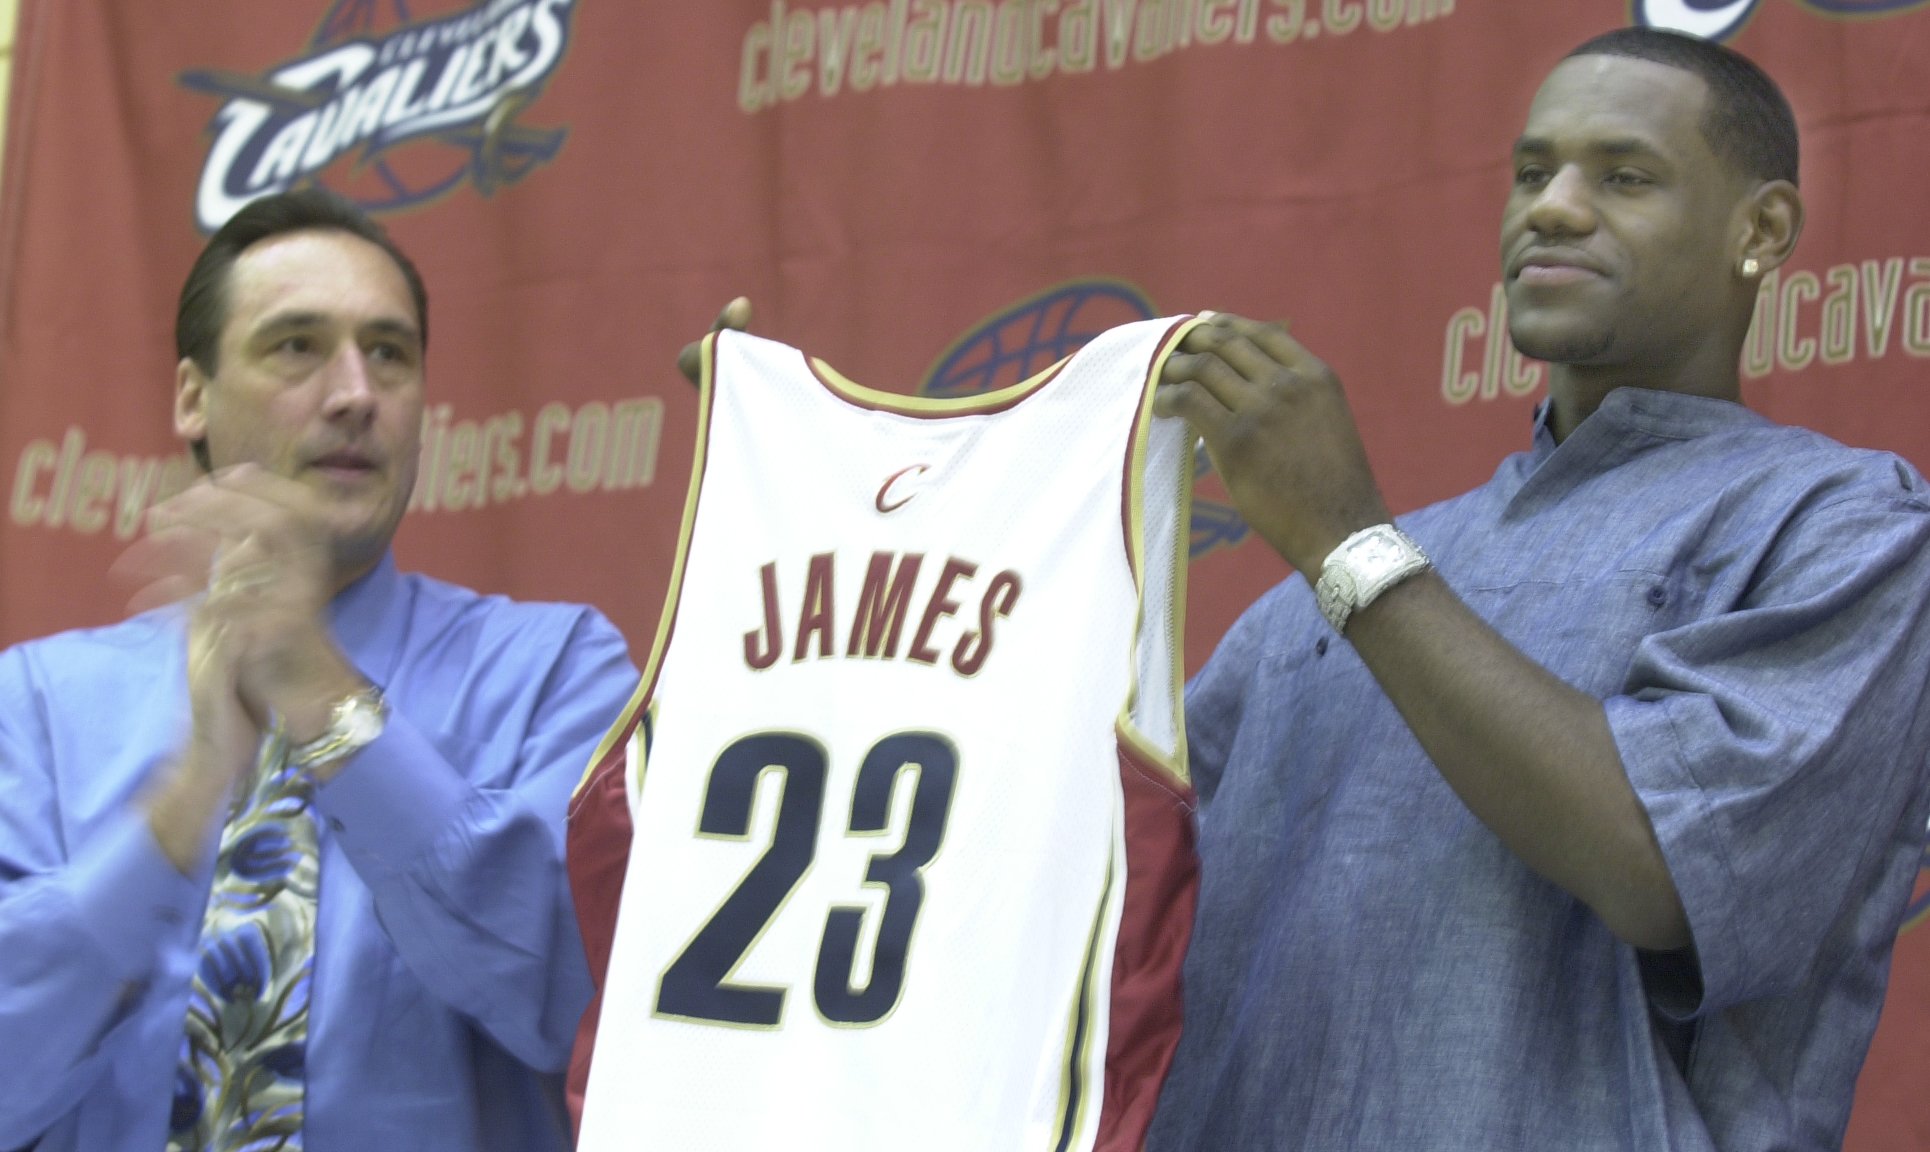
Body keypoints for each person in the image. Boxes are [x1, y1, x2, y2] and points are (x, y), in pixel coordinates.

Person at [1142, 27, 1930, 1151]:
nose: (1551, 209)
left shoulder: (1845, 527)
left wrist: (1345, 546)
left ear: (1759, 230)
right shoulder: (1316, 606)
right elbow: (1101, 893)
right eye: (1530, 173)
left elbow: (1664, 863)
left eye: (1622, 175)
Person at [0, 188, 638, 1152]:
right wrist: (184, 805)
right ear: (192, 397)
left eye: (389, 353)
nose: (354, 394)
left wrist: (320, 694)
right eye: (296, 345)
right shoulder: (35, 707)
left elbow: (582, 1006)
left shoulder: (556, 668)